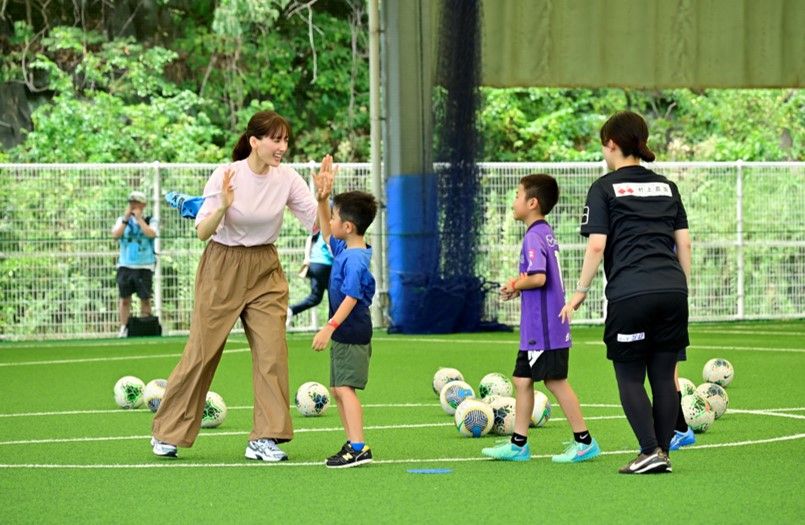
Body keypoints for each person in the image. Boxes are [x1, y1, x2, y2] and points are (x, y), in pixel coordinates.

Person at [150, 110, 322, 461]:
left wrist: (323, 197)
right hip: (222, 265)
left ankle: (265, 438)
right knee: (202, 352)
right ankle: (167, 432)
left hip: (265, 270)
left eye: (286, 140)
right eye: (275, 139)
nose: (282, 146)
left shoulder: (287, 178)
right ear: (254, 141)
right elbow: (202, 232)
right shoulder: (226, 175)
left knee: (272, 352)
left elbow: (320, 227)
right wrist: (223, 206)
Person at [560, 111, 692, 475]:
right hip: (672, 291)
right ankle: (661, 452)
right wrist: (682, 287)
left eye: (604, 145)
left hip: (630, 294)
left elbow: (597, 247)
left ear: (612, 144)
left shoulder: (604, 187)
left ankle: (649, 449)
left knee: (630, 376)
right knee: (665, 376)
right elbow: (684, 243)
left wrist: (580, 292)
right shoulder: (667, 186)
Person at [481, 174, 601, 463]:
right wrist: (519, 288)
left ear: (532, 202)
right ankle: (518, 445)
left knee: (555, 381)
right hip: (537, 326)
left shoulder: (534, 236)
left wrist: (515, 285)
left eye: (517, 195)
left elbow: (538, 277)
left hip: (544, 328)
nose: (514, 202)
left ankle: (584, 441)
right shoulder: (543, 232)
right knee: (522, 380)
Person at [311, 157, 378, 468]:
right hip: (345, 329)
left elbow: (351, 296)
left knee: (345, 390)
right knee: (339, 389)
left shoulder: (354, 260)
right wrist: (323, 200)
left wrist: (329, 326)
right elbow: (326, 233)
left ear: (348, 226)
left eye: (336, 217)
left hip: (350, 329)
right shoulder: (346, 247)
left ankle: (359, 447)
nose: (332, 221)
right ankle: (353, 442)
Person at [111, 190, 158, 338]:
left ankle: (146, 325)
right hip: (125, 265)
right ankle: (124, 328)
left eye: (136, 203)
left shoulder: (151, 220)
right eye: (131, 203)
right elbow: (115, 235)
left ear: (143, 205)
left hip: (144, 265)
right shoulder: (122, 220)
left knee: (145, 297)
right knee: (125, 299)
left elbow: (151, 233)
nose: (133, 206)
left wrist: (139, 219)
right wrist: (126, 219)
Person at [287, 231, 334, 327]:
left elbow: (310, 238)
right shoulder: (333, 226)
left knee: (315, 298)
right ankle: (335, 324)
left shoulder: (320, 228)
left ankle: (291, 310)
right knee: (337, 295)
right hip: (325, 265)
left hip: (314, 265)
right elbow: (330, 246)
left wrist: (307, 258)